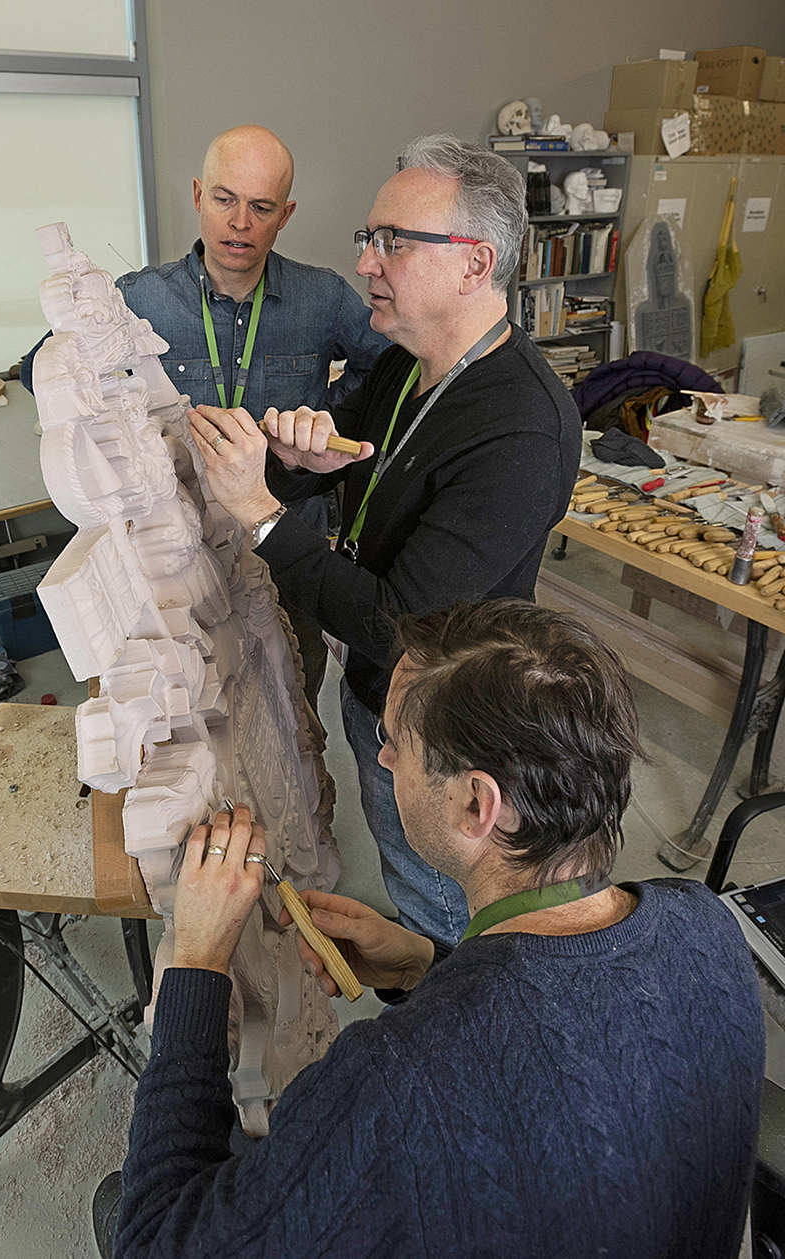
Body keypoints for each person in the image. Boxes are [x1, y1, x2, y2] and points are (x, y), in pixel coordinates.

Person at [113, 599, 765, 1259]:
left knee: (122, 1198)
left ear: (476, 803)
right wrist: (430, 968)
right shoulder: (703, 921)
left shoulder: (391, 1084)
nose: (383, 756)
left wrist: (196, 967)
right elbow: (565, 1032)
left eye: (397, 741)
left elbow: (153, 1243)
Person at [187, 134, 582, 946]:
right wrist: (296, 463)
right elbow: (342, 466)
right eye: (370, 239)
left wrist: (261, 513)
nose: (367, 262)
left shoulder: (522, 427)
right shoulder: (407, 364)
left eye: (392, 243)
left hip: (455, 721)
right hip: (381, 697)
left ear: (475, 264)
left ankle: (444, 1007)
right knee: (402, 858)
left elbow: (397, 620)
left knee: (447, 908)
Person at [21, 124, 389, 710]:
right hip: (177, 547)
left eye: (261, 206)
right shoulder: (138, 299)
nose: (240, 222)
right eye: (224, 199)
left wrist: (329, 423)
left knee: (292, 706)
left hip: (284, 536)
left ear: (284, 214)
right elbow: (41, 368)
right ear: (198, 195)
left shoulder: (323, 298)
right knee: (195, 710)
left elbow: (392, 369)